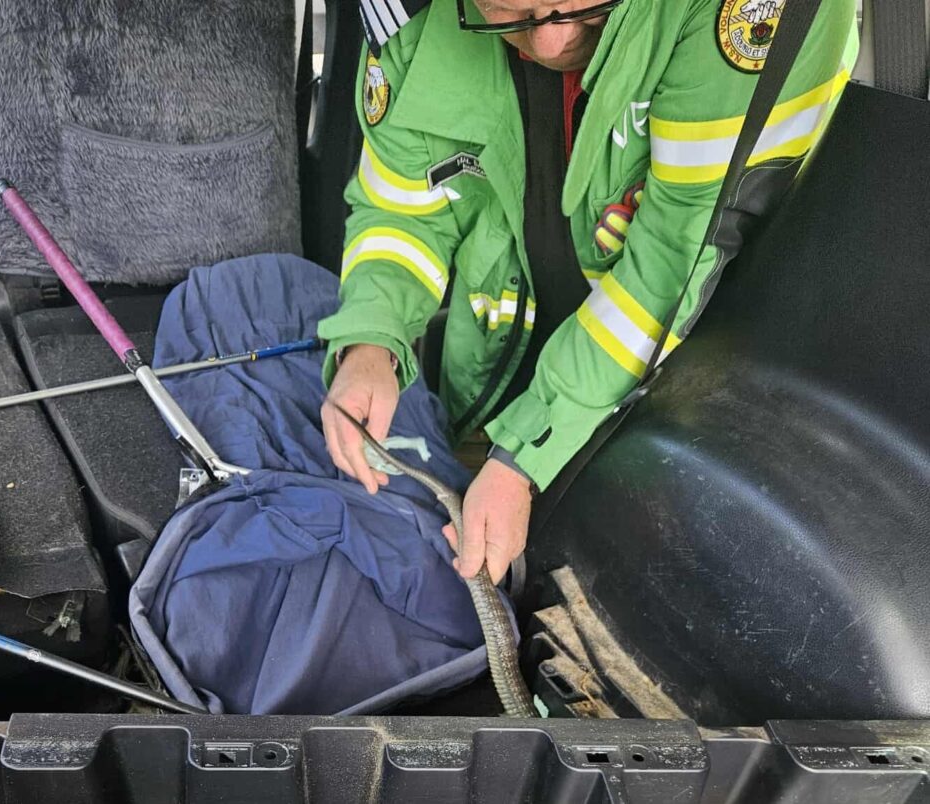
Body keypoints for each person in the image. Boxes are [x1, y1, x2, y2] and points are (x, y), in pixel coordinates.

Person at [319, 0, 858, 585]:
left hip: (702, 391)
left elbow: (671, 264)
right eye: (509, 14)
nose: (551, 45)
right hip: (503, 361)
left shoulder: (739, 15)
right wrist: (371, 338)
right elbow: (400, 206)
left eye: (581, 7)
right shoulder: (408, 16)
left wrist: (525, 454)